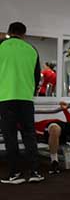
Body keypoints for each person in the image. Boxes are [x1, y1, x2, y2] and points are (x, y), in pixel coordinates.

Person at [0, 22, 44, 184]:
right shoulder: (32, 49)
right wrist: (30, 92)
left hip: (6, 98)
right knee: (29, 135)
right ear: (24, 34)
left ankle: (14, 173)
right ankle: (34, 172)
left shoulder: (1, 46)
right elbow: (37, 76)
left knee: (10, 136)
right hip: (26, 99)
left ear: (9, 32)